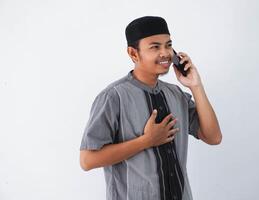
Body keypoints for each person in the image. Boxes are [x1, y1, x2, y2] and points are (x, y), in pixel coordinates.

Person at [79, 16, 222, 200]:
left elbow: (213, 137)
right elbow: (87, 160)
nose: (165, 53)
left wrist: (196, 86)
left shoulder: (176, 94)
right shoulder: (113, 97)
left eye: (168, 45)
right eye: (155, 47)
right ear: (133, 53)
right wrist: (146, 141)